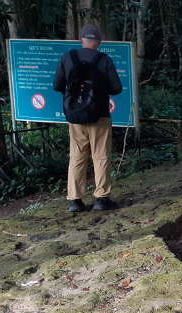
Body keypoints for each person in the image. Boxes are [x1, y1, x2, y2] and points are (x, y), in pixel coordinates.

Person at [53, 25, 122, 212]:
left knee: (77, 156)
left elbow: (57, 85)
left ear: (81, 39)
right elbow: (116, 88)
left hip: (75, 117)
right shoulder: (104, 59)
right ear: (99, 42)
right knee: (100, 156)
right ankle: (101, 199)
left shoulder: (68, 57)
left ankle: (75, 201)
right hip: (99, 115)